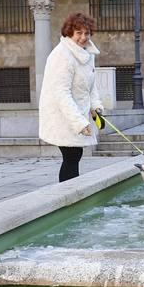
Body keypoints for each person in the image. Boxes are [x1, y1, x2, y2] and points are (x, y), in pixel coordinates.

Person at [39, 11, 105, 182]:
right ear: (69, 33)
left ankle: (71, 192)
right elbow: (61, 93)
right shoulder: (61, 55)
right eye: (79, 33)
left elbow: (91, 86)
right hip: (62, 115)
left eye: (87, 33)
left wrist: (95, 107)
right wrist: (79, 122)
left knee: (74, 154)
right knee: (72, 155)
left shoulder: (87, 54)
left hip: (77, 113)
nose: (83, 37)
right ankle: (68, 193)